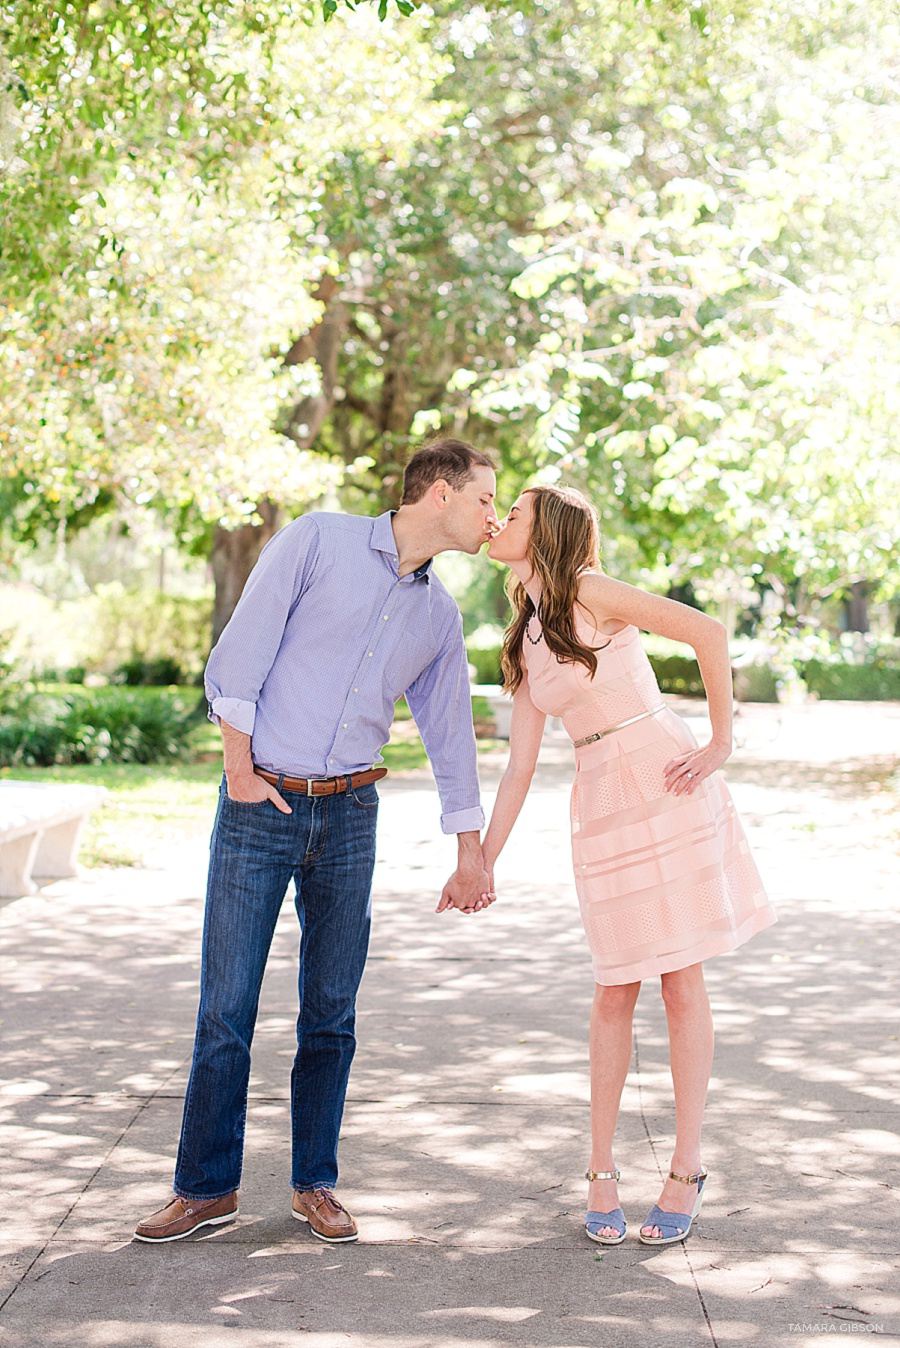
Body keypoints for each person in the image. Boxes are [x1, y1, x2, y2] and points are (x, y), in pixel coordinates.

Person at [134, 439, 498, 1245]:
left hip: (350, 815)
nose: (493, 518)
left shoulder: (439, 615)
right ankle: (204, 1189)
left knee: (330, 1014)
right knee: (225, 1009)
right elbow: (242, 652)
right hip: (260, 804)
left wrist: (470, 849)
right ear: (439, 493)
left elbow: (450, 738)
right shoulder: (317, 540)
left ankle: (315, 1184)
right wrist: (237, 771)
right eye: (483, 501)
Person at [481, 484, 776, 1247]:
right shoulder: (524, 636)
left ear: (543, 528)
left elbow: (708, 633)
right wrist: (480, 861)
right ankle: (602, 1169)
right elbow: (517, 769)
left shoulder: (589, 589)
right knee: (614, 987)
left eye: (511, 511)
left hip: (664, 778)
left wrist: (720, 742)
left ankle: (685, 1168)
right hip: (601, 802)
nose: (497, 519)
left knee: (680, 978)